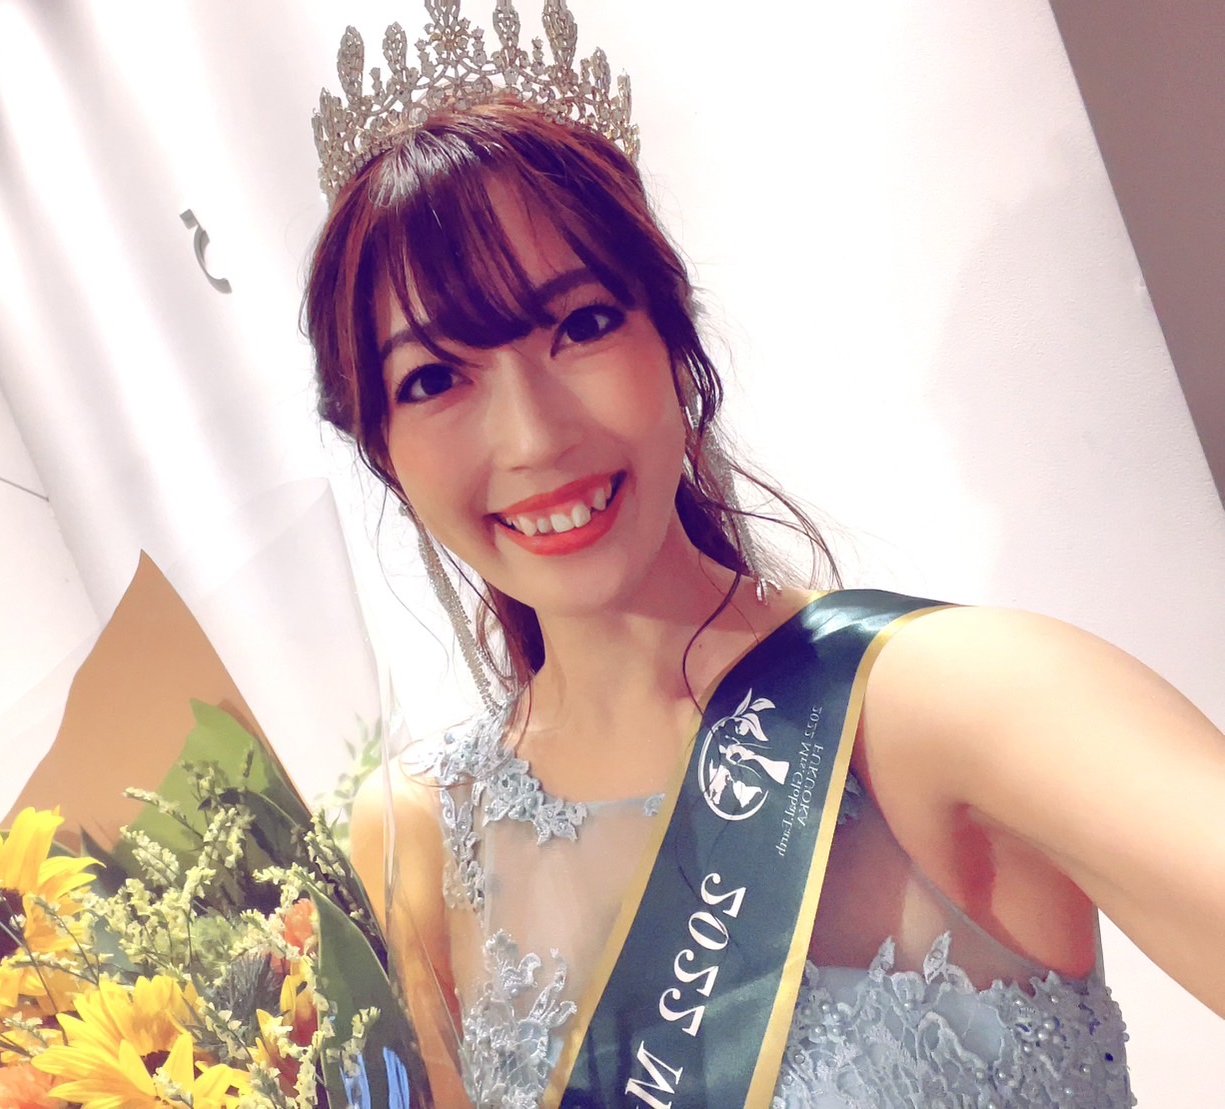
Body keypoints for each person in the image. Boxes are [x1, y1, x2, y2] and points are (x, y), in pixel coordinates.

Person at [302, 3, 1225, 1105]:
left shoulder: (938, 702)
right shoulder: (411, 840)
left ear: (673, 339)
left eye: (580, 324)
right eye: (431, 379)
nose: (533, 437)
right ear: (382, 448)